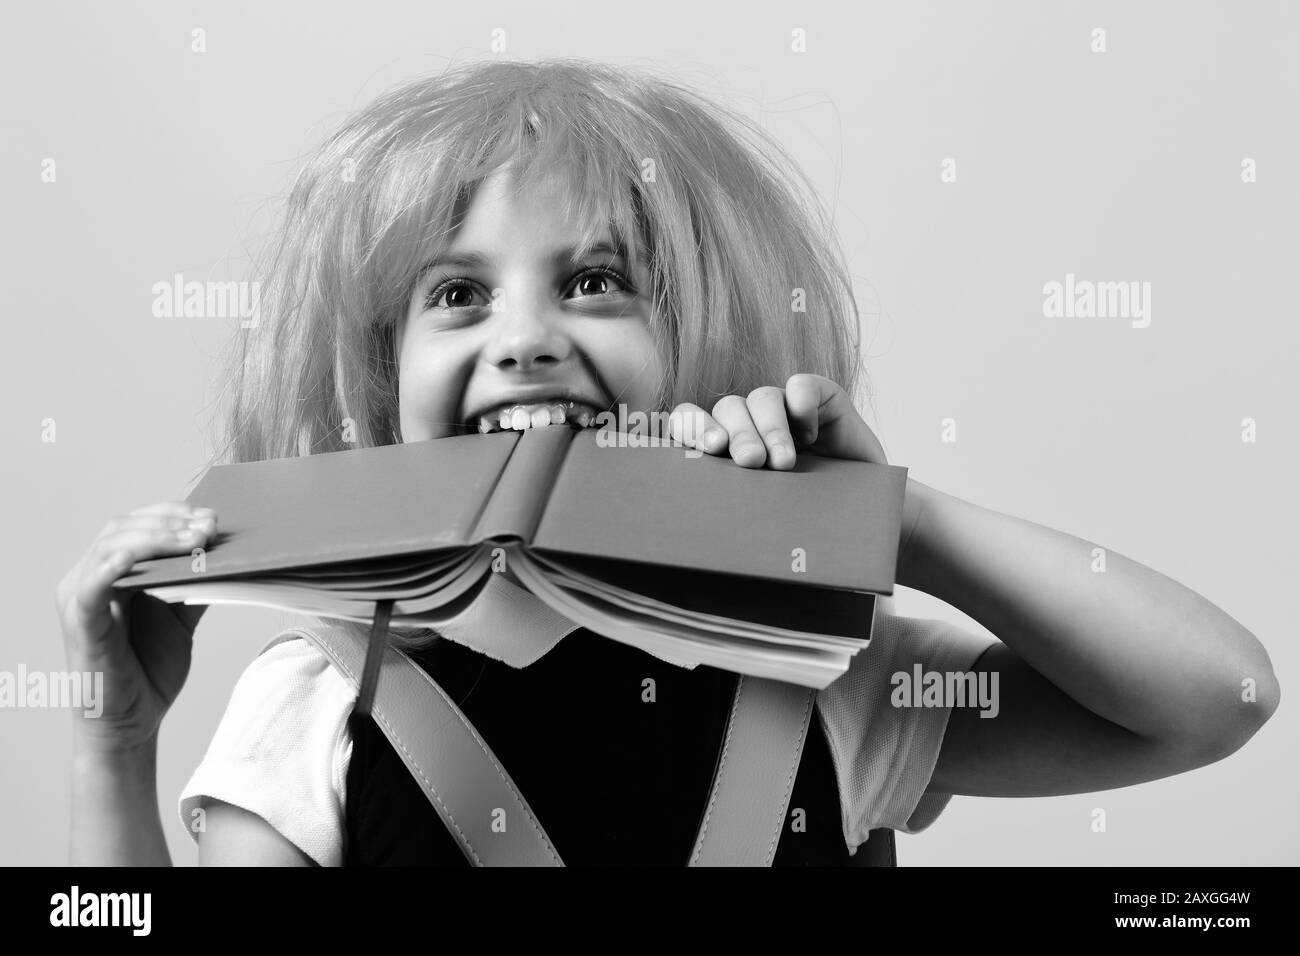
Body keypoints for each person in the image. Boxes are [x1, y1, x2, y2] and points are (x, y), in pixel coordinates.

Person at [58, 58, 1280, 866]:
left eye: (595, 283)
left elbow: (1217, 698)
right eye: (457, 294)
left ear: (703, 332)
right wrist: (115, 741)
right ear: (382, 377)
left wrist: (892, 522)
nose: (527, 338)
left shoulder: (824, 663)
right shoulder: (320, 692)